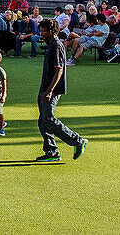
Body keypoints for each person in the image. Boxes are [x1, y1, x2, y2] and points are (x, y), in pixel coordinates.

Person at [35, 19, 87, 163]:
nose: (42, 33)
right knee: (43, 121)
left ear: (52, 31)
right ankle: (52, 151)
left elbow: (59, 70)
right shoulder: (51, 45)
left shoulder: (57, 45)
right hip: (45, 86)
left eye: (44, 31)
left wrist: (50, 90)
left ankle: (78, 141)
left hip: (51, 88)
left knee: (48, 119)